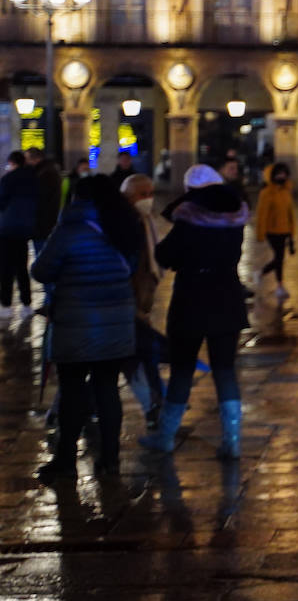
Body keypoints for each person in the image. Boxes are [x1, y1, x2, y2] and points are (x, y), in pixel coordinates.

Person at [30, 175, 141, 475]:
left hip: (75, 324)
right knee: (107, 390)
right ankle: (111, 460)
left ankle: (66, 460)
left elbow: (41, 270)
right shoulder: (125, 226)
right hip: (116, 325)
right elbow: (132, 266)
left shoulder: (69, 229)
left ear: (78, 198)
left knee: (73, 392)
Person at [140, 165, 250, 459]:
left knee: (182, 369)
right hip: (227, 296)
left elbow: (165, 254)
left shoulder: (189, 219)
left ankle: (164, 437)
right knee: (225, 370)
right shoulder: (236, 219)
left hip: (192, 298)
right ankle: (233, 440)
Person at [120, 174, 165, 430]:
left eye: (151, 193)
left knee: (138, 357)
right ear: (128, 196)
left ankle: (156, 403)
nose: (149, 199)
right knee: (133, 360)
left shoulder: (146, 221)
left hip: (140, 306)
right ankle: (154, 405)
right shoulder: (127, 225)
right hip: (129, 306)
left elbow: (150, 267)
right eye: (143, 194)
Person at [0, 150, 38, 317]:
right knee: (22, 267)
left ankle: (6, 305)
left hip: (7, 229)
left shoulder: (8, 179)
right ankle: (27, 304)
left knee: (6, 269)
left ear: (12, 163)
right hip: (25, 229)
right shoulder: (33, 179)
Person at [255, 163, 296, 300]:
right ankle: (279, 286)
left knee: (279, 258)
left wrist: (292, 231)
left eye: (284, 173)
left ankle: (261, 273)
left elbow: (290, 213)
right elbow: (262, 214)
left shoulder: (286, 191)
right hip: (272, 231)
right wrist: (260, 233)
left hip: (284, 230)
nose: (282, 176)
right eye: (279, 173)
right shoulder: (266, 193)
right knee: (279, 257)